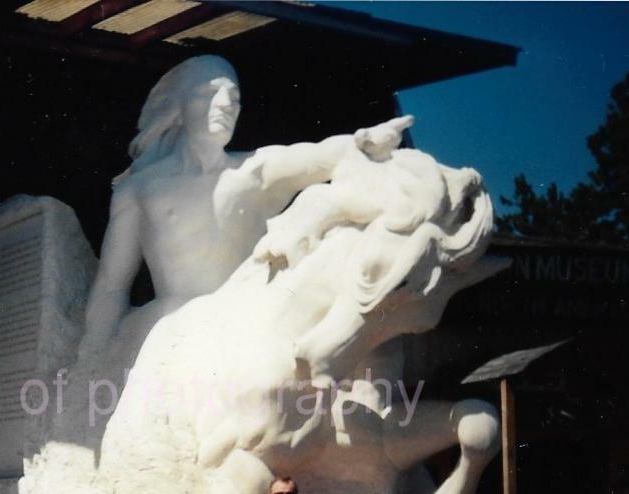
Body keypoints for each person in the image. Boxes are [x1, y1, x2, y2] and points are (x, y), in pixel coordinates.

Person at [80, 54, 411, 357]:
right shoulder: (140, 190)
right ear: (178, 109)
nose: (226, 105)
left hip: (250, 321)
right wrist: (90, 355)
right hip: (179, 333)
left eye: (234, 98)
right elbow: (111, 285)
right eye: (209, 94)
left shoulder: (254, 170)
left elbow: (322, 154)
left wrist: (362, 142)